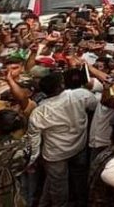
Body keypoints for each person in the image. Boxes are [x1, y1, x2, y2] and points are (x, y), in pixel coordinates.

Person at [26, 71, 99, 207]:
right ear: (60, 86)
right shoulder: (80, 95)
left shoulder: (40, 111)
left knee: (59, 186)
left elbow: (34, 139)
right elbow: (95, 105)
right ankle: (82, 201)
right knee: (80, 177)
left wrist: (33, 159)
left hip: (55, 154)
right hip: (79, 147)